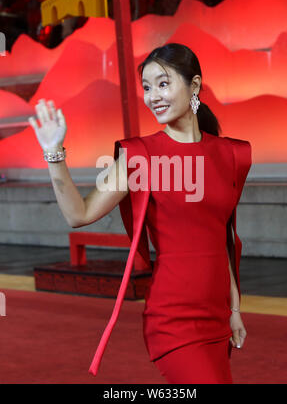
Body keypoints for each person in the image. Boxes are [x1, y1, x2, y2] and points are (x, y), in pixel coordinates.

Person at [28, 42, 252, 384]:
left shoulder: (231, 155)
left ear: (193, 86)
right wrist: (54, 154)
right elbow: (79, 214)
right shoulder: (140, 157)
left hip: (217, 316)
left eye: (163, 84)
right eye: (146, 88)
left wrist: (234, 310)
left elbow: (223, 239)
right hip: (173, 319)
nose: (153, 96)